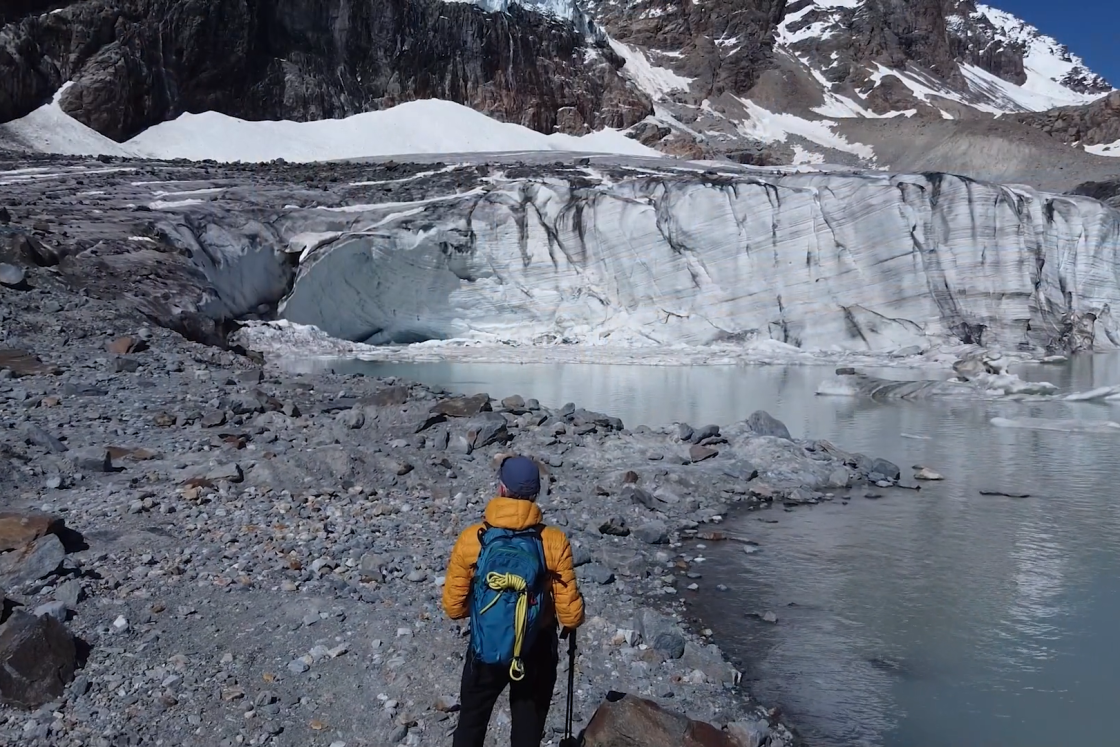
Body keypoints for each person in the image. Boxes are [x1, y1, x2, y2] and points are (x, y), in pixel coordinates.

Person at [442, 455, 585, 747]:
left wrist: (491, 608)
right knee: (527, 729)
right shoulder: (553, 541)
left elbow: (453, 607)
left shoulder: (473, 538)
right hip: (535, 646)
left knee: (471, 721)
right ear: (535, 494)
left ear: (501, 489)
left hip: (486, 647)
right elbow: (570, 617)